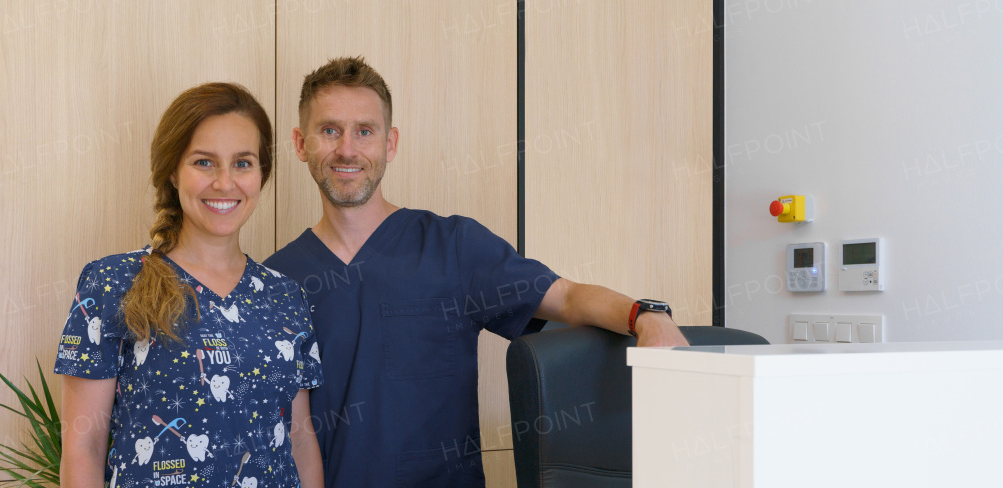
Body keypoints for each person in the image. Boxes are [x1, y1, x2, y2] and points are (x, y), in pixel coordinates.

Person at [263, 57, 690, 487]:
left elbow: (566, 297)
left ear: (390, 143)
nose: (348, 149)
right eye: (329, 130)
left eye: (365, 131)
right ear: (301, 144)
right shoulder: (274, 282)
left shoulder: (454, 248)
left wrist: (647, 315)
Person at [56, 83, 325, 488]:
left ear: (261, 174)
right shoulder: (112, 283)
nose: (224, 182)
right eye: (203, 162)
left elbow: (301, 442)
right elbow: (83, 447)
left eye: (243, 163)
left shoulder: (286, 297)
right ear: (171, 170)